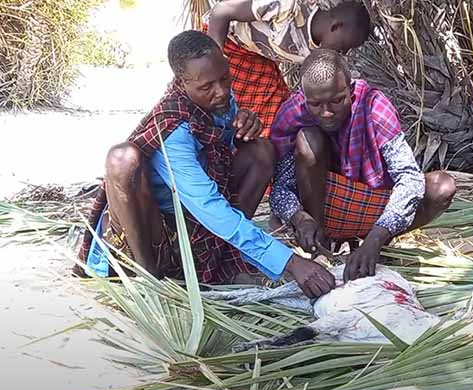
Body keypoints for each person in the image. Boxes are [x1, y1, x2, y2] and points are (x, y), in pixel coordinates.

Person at [78, 31, 334, 298]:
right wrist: (290, 262)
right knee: (122, 158)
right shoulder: (174, 129)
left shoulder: (219, 100)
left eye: (225, 78)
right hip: (158, 229)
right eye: (207, 87)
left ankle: (223, 258)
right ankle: (149, 278)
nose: (221, 91)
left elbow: (220, 155)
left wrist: (241, 132)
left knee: (261, 151)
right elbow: (209, 207)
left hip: (193, 227)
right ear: (181, 83)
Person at [269, 49, 457, 282]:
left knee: (442, 187)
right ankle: (321, 245)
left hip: (372, 207)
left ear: (350, 90)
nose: (326, 112)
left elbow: (409, 177)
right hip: (323, 205)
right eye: (316, 104)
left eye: (337, 100)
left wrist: (376, 237)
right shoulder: (294, 112)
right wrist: (300, 219)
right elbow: (280, 189)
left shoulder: (374, 106)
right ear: (304, 97)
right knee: (309, 140)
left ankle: (373, 246)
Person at [204, 0, 372, 138]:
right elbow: (221, 12)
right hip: (224, 44)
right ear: (336, 26)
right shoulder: (286, 7)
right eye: (343, 48)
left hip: (258, 57)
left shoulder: (318, 50)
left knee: (274, 119)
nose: (341, 53)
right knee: (224, 112)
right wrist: (214, 63)